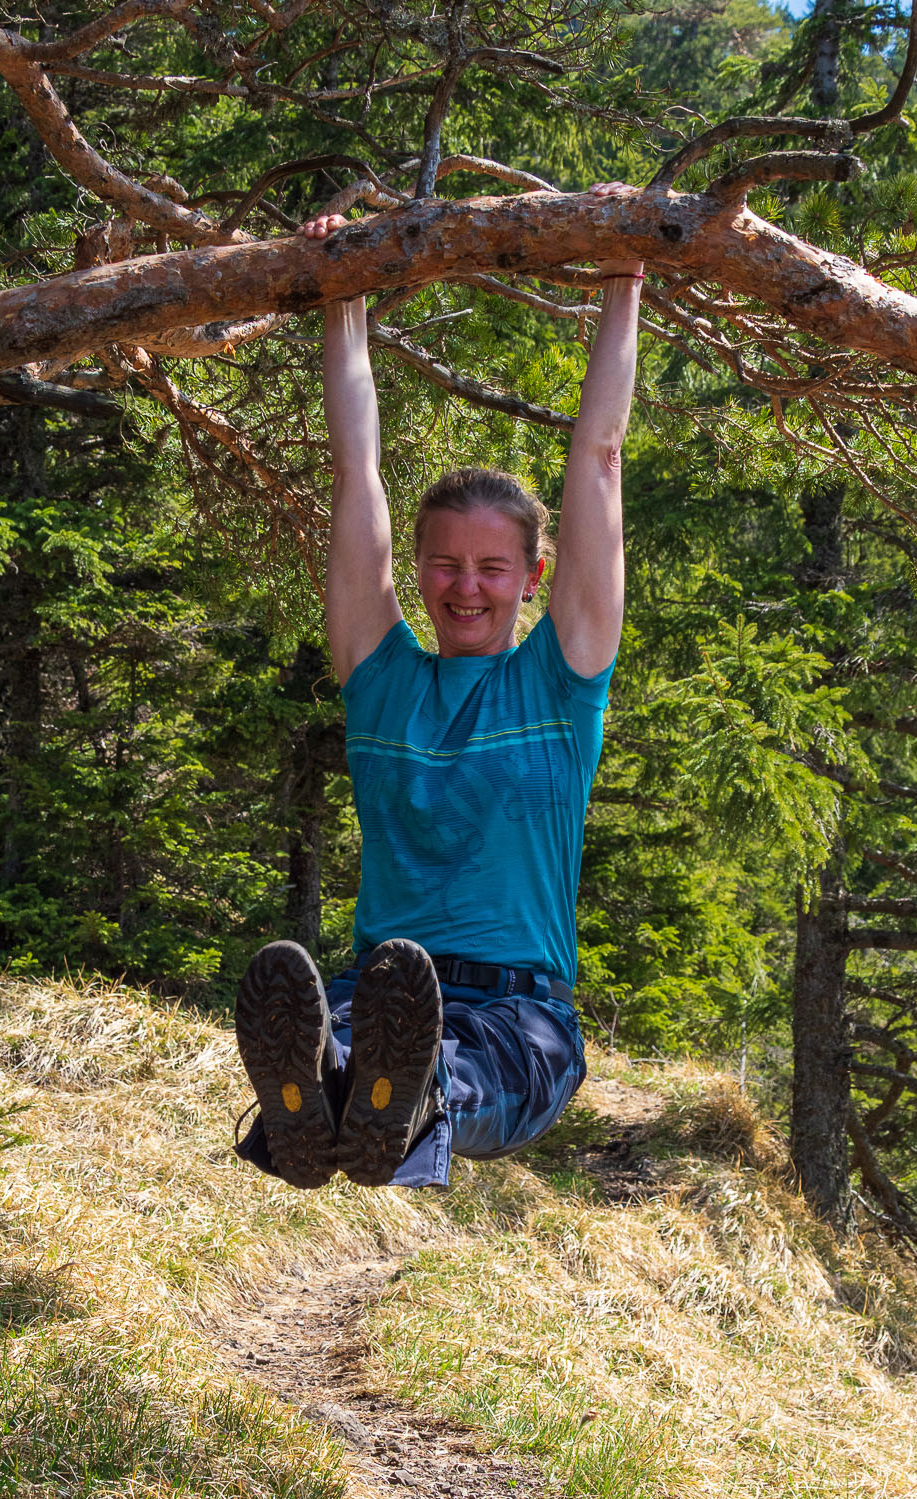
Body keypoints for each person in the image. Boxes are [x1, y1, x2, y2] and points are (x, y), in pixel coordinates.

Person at [233, 184, 643, 1191]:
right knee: (351, 1032)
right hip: (382, 987)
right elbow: (356, 474)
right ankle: (334, 1095)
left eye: (491, 567)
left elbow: (595, 461)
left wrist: (625, 283)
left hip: (520, 1016)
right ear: (415, 570)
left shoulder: (561, 681)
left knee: (443, 1066)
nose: (465, 586)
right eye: (444, 564)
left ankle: (396, 1103)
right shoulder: (381, 681)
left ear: (532, 578)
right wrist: (342, 299)